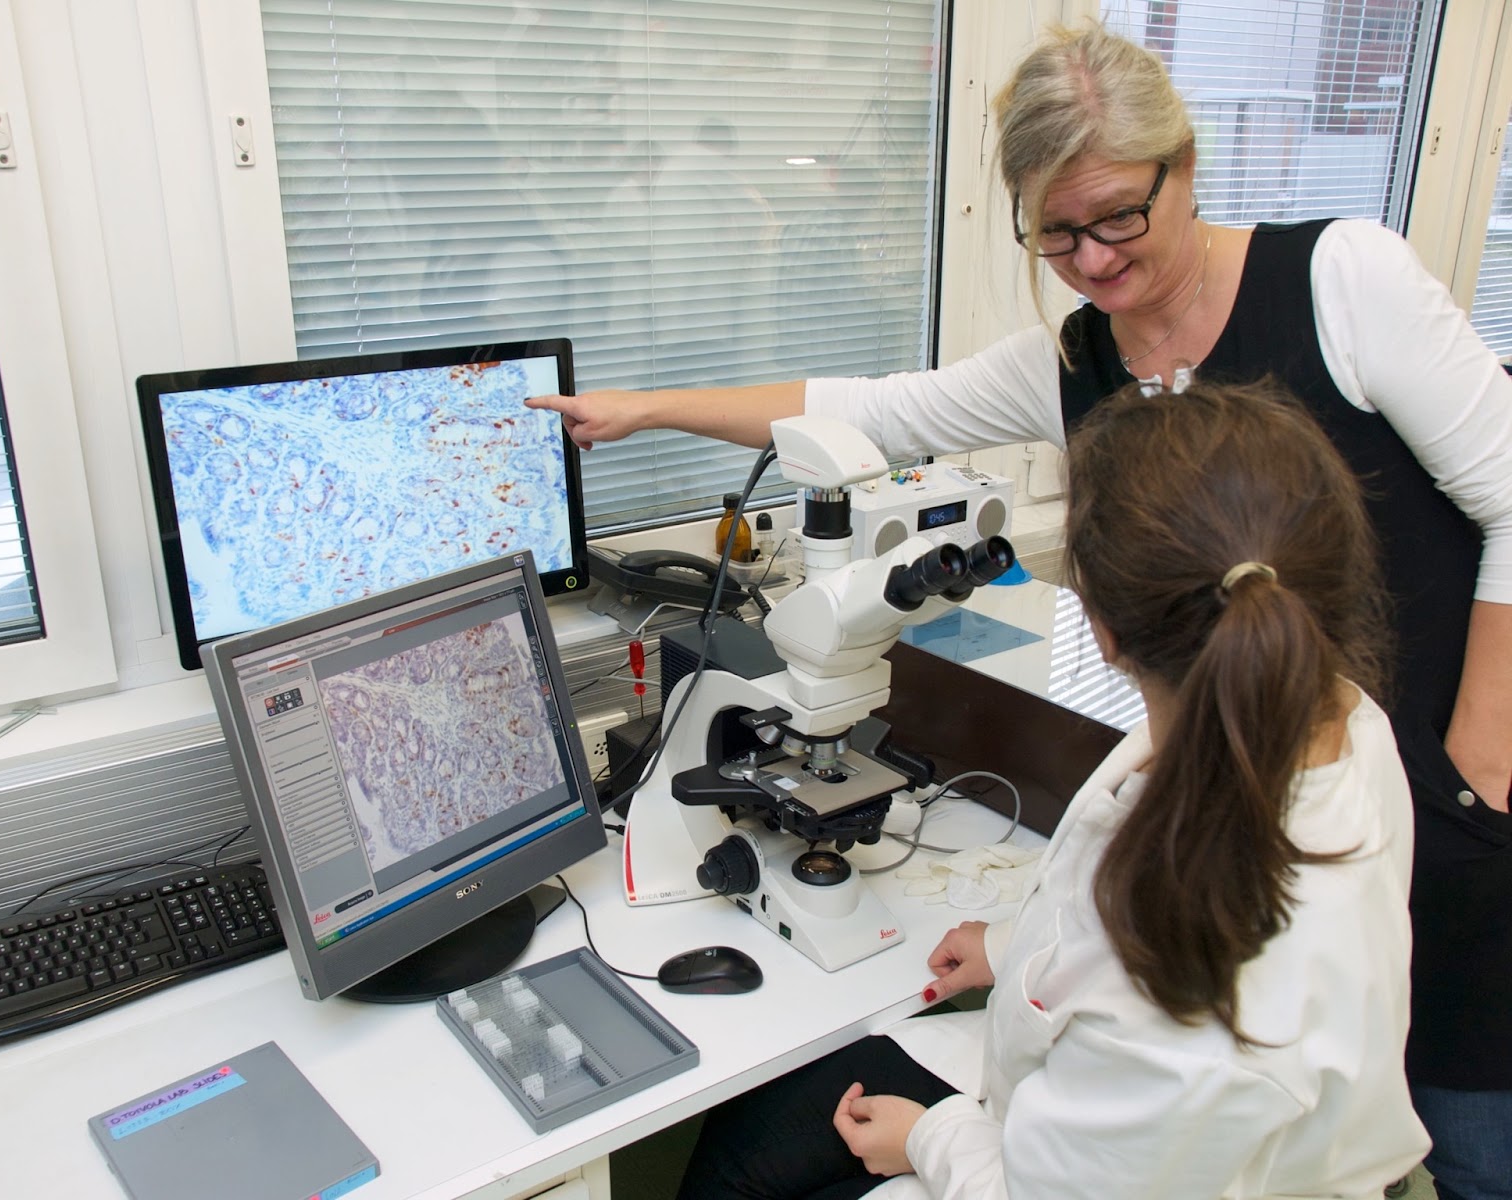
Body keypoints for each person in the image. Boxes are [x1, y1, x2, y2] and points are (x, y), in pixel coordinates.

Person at [527, 23, 1512, 1198]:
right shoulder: (1075, 364)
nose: (1092, 259)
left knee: (1458, 1126)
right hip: (1268, 773)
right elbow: (882, 408)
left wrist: (1479, 748)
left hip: (1419, 765)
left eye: (1118, 219)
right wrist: (649, 410)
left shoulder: (1343, 279)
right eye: (1055, 231)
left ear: (1182, 169)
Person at [670, 378, 1428, 1198]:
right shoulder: (1339, 721)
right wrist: (1012, 951)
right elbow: (1108, 897)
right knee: (753, 1138)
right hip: (1096, 1122)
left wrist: (932, 1137)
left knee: (740, 1179)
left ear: (1098, 627)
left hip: (1056, 1169)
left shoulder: (1198, 1000)